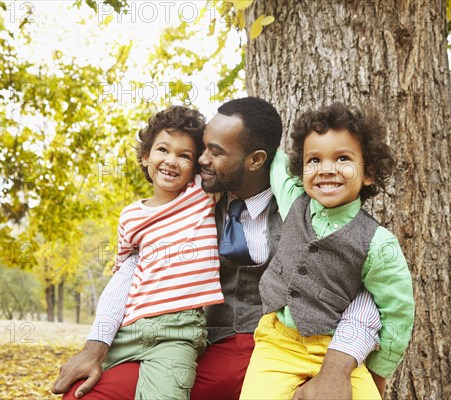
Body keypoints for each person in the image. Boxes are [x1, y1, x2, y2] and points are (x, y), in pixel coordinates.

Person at [53, 97, 383, 400]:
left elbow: (366, 290)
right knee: (83, 394)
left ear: (256, 161)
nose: (200, 159)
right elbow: (135, 263)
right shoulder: (192, 201)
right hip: (201, 348)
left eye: (215, 151)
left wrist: (336, 368)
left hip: (279, 351)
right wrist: (94, 348)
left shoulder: (308, 208)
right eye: (202, 148)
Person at [239, 102, 415, 399]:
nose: (326, 170)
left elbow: (397, 311)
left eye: (343, 158)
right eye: (314, 160)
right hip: (278, 343)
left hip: (337, 347)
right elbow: (275, 158)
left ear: (369, 172)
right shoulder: (293, 199)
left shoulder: (378, 242)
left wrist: (379, 372)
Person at [82, 105, 225, 400]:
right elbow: (124, 272)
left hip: (178, 332)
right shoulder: (130, 216)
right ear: (146, 156)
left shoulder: (201, 195)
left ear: (195, 166)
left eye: (184, 155)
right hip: (129, 327)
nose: (172, 161)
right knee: (85, 386)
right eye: (163, 150)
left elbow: (230, 156)